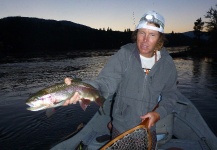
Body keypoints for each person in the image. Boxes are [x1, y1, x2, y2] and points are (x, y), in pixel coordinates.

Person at [63, 10, 178, 149]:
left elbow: (170, 95)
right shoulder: (124, 55)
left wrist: (158, 114)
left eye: (152, 35)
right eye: (142, 33)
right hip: (121, 127)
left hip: (149, 128)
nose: (145, 39)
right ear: (137, 34)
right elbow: (106, 81)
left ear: (160, 39)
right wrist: (83, 88)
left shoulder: (167, 63)